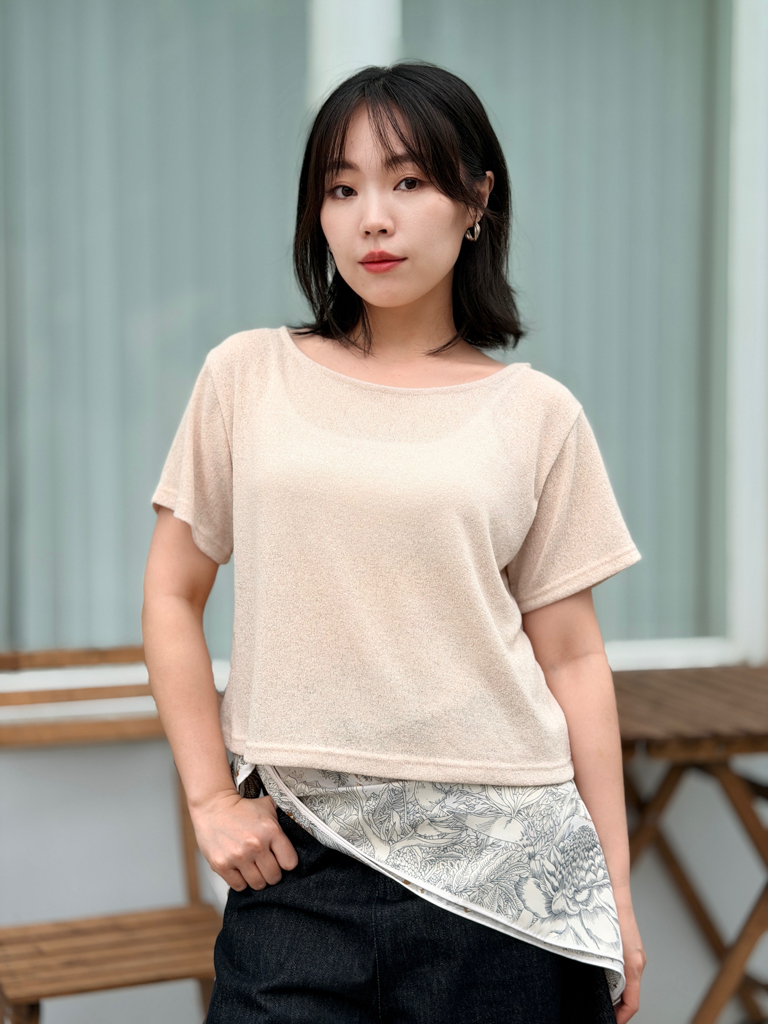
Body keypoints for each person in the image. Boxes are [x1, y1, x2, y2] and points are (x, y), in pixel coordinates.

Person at [142, 62, 646, 1024]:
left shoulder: (538, 414)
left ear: (476, 201)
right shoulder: (247, 376)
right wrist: (210, 800)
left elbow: (575, 660)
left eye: (408, 181)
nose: (373, 218)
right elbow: (171, 594)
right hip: (298, 865)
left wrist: (614, 894)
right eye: (342, 189)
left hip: (512, 878)